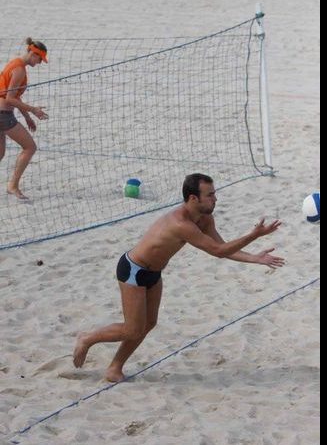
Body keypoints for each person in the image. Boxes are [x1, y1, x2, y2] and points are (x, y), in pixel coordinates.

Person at [72, 173, 286, 382]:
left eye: (214, 193)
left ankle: (114, 367)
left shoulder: (205, 219)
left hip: (153, 273)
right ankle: (87, 338)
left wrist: (255, 259)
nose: (215, 198)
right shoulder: (181, 224)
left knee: (148, 323)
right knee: (132, 328)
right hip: (133, 270)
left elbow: (223, 247)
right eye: (210, 194)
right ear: (194, 198)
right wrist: (253, 235)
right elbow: (218, 251)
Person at [0, 38, 49, 200]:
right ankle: (12, 186)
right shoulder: (19, 70)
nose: (40, 62)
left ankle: (12, 186)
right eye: (40, 59)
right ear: (33, 53)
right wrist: (34, 110)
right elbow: (9, 99)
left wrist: (27, 116)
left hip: (3, 113)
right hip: (3, 115)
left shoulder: (14, 63)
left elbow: (13, 97)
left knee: (0, 153)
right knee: (29, 147)